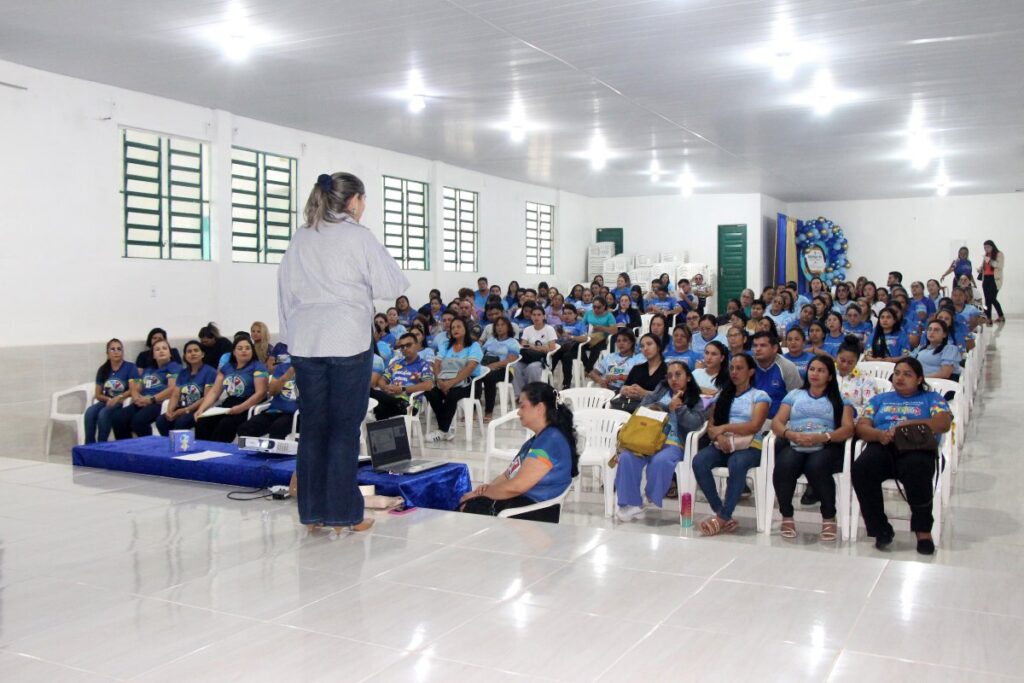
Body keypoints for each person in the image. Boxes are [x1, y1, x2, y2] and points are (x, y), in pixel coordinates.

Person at [277, 171, 408, 534]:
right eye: (363, 201)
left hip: (305, 342)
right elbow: (390, 284)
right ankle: (344, 514)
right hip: (347, 340)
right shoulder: (357, 236)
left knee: (315, 427)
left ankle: (313, 513)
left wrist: (291, 337)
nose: (364, 208)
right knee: (344, 429)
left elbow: (284, 291)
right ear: (353, 201)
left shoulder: (301, 236)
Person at [852, 358, 952, 554]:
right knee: (862, 468)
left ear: (919, 379)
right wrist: (879, 435)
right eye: (897, 373)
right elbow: (862, 427)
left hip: (916, 447)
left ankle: (923, 530)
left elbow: (943, 423)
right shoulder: (879, 399)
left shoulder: (931, 398)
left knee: (917, 469)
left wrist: (905, 426)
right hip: (884, 445)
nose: (900, 378)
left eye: (907, 374)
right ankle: (880, 528)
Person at [460, 383, 577, 522]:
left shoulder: (550, 441)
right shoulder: (538, 439)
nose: (518, 412)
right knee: (465, 502)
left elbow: (516, 487)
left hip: (534, 511)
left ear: (539, 408)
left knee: (465, 507)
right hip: (522, 502)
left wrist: (483, 495)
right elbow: (508, 475)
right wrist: (487, 489)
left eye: (522, 406)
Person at [770, 356, 855, 541]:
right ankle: (787, 516)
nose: (815, 374)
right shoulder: (794, 395)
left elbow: (848, 428)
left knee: (816, 466)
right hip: (796, 441)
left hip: (826, 444)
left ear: (830, 376)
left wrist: (823, 437)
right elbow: (777, 423)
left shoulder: (840, 399)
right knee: (784, 465)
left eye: (821, 370)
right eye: (812, 369)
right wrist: (790, 434)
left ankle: (828, 516)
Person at [614, 362, 708, 521]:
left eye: (678, 374)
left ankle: (648, 498)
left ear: (689, 378)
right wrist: (658, 407)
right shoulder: (661, 390)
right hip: (646, 439)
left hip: (673, 442)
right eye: (670, 375)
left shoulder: (697, 400)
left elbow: (695, 424)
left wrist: (678, 409)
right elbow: (641, 408)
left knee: (661, 461)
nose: (673, 379)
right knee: (627, 457)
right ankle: (630, 503)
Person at [692, 354, 771, 536]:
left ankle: (721, 517)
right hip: (723, 444)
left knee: (736, 462)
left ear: (751, 372)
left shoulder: (760, 396)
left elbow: (754, 425)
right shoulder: (722, 396)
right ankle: (722, 513)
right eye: (732, 368)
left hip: (751, 446)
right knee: (699, 461)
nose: (734, 372)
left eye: (739, 368)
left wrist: (725, 428)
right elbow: (711, 427)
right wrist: (719, 438)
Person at [194, 336, 269, 442]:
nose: (244, 351)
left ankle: (217, 452)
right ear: (234, 352)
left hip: (248, 405)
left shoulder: (258, 367)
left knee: (225, 424)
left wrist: (241, 408)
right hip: (229, 403)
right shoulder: (226, 368)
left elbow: (261, 393)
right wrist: (201, 409)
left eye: (247, 348)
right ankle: (202, 451)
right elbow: (215, 392)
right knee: (203, 420)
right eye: (240, 348)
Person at [425, 317, 484, 442]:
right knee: (430, 392)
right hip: (445, 380)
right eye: (452, 328)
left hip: (470, 383)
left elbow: (470, 368)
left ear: (465, 329)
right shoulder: (446, 345)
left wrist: (451, 384)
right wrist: (440, 382)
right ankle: (446, 428)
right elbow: (436, 364)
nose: (455, 330)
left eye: (458, 327)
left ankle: (442, 430)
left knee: (452, 395)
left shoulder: (474, 346)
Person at [121, 339, 182, 437]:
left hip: (159, 403)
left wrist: (151, 400)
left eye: (164, 348)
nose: (161, 351)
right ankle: (125, 447)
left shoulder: (174, 367)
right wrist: (136, 397)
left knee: (138, 421)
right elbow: (137, 387)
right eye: (157, 349)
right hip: (143, 401)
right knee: (120, 417)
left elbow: (172, 388)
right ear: (153, 355)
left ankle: (148, 447)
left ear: (170, 353)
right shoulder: (148, 369)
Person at [156, 340, 217, 436]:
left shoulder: (210, 372)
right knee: (161, 421)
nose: (193, 353)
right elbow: (175, 395)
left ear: (203, 354)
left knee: (181, 422)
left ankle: (181, 447)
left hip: (198, 409)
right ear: (185, 356)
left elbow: (206, 397)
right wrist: (170, 411)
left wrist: (186, 410)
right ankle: (170, 446)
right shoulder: (183, 373)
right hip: (181, 408)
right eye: (189, 351)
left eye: (196, 350)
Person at [369, 333, 435, 420]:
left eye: (408, 345)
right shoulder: (396, 363)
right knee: (376, 406)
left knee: (371, 394)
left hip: (409, 405)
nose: (405, 348)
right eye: (402, 346)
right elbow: (382, 380)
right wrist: (386, 388)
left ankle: (399, 404)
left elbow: (428, 385)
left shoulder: (424, 365)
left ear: (417, 345)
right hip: (390, 399)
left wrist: (402, 389)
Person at [236, 350, 301, 439]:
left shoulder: (313, 370)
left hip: (296, 414)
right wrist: (287, 375)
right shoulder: (283, 366)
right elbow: (272, 391)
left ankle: (274, 453)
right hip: (275, 411)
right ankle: (251, 453)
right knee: (245, 428)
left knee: (278, 428)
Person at [83, 339, 138, 443]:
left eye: (119, 349)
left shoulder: (130, 367)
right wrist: (108, 399)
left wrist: (118, 398)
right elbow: (98, 394)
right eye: (112, 349)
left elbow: (133, 389)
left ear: (123, 352)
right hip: (106, 400)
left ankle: (102, 445)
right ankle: (89, 446)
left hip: (121, 401)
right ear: (107, 353)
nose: (116, 351)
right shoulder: (103, 369)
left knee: (103, 414)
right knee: (90, 412)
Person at [750, 331, 803, 418]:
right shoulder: (748, 365)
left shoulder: (787, 366)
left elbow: (797, 400)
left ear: (774, 348)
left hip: (778, 421)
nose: (758, 349)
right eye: (755, 346)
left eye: (763, 345)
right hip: (750, 419)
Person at [478, 317, 521, 417]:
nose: (499, 327)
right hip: (486, 367)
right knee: (472, 375)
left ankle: (488, 411)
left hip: (505, 370)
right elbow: (481, 354)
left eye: (502, 325)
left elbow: (510, 360)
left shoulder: (512, 342)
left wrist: (493, 365)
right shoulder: (490, 340)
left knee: (489, 377)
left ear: (508, 327)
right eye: (497, 325)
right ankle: (475, 408)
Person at [612, 333, 667, 412]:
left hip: (654, 412)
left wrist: (644, 393)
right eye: (642, 346)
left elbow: (666, 398)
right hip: (630, 408)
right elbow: (623, 387)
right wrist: (627, 390)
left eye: (649, 344)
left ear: (658, 347)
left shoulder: (667, 370)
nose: (645, 348)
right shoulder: (637, 368)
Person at [514, 307, 558, 394]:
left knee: (532, 368)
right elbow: (523, 345)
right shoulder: (527, 329)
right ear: (531, 316)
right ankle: (520, 394)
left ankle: (532, 393)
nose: (536, 317)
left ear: (544, 316)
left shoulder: (549, 329)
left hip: (542, 359)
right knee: (515, 367)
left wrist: (532, 346)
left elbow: (551, 348)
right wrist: (541, 347)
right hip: (527, 358)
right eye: (534, 315)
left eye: (539, 315)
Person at [550, 305, 589, 390]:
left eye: (569, 313)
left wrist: (570, 337)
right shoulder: (560, 325)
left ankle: (566, 384)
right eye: (564, 313)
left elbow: (585, 338)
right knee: (554, 355)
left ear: (575, 315)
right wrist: (556, 335)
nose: (566, 316)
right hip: (561, 348)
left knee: (566, 356)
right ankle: (549, 380)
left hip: (575, 348)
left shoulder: (580, 324)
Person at [580, 297, 618, 373]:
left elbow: (615, 331)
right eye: (594, 307)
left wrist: (603, 328)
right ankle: (588, 367)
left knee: (596, 348)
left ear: (604, 306)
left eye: (598, 307)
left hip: (603, 339)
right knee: (579, 347)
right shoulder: (589, 313)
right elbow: (581, 325)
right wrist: (585, 328)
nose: (596, 309)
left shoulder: (609, 316)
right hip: (589, 337)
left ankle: (588, 370)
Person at [979, 239, 1005, 323]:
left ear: (992, 246)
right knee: (987, 299)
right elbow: (984, 267)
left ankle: (1000, 316)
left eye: (988, 247)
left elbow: (999, 266)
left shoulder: (999, 254)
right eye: (985, 247)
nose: (986, 249)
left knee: (992, 298)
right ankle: (988, 318)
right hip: (986, 279)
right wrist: (980, 269)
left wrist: (989, 260)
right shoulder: (986, 255)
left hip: (994, 279)